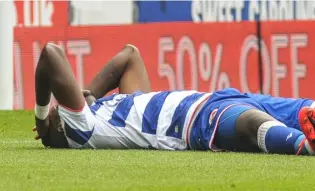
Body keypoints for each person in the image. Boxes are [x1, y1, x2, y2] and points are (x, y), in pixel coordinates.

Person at [33, 43, 315, 155]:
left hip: (221, 98)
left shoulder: (116, 111)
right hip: (196, 123)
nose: (61, 105)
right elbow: (49, 54)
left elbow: (129, 56)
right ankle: (305, 146)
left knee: (306, 108)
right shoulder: (83, 128)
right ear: (63, 125)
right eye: (61, 110)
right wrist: (42, 117)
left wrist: (90, 95)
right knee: (253, 125)